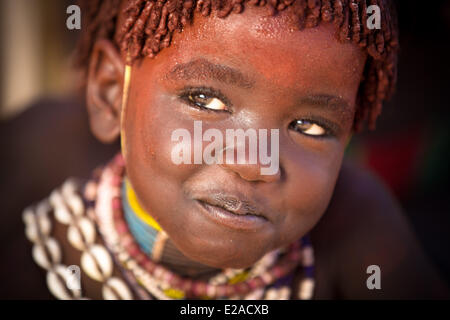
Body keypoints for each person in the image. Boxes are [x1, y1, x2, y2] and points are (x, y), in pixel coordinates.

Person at [21, 0, 449, 299]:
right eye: (205, 100)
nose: (253, 162)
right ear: (112, 92)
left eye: (310, 126)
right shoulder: (37, 151)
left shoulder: (361, 229)